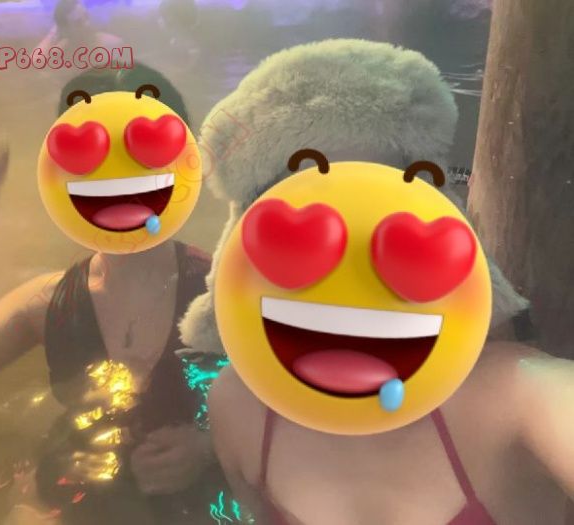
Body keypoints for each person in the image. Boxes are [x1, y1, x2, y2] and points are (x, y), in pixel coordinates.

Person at [179, 39, 574, 524]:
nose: (351, 259)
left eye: (379, 197)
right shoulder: (237, 406)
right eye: (309, 207)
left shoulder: (518, 397)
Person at [0, 64, 223, 525]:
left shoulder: (225, 292)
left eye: (145, 154)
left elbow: (308, 413)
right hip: (82, 498)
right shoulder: (48, 304)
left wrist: (211, 444)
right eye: (93, 158)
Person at [37, 0, 122, 56]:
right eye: (78, 22)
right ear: (66, 30)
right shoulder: (59, 51)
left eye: (86, 16)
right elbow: (35, 62)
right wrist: (53, 33)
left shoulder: (109, 44)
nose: (87, 24)